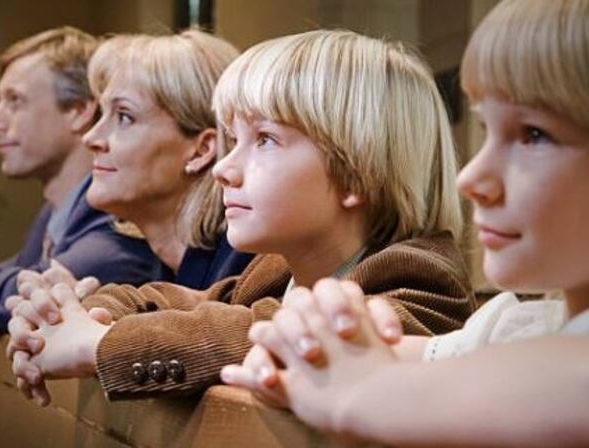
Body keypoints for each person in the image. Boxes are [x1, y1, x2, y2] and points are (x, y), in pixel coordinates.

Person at [6, 28, 475, 404]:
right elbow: (170, 303)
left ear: (356, 175)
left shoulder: (420, 280)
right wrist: (77, 317)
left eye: (264, 140)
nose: (224, 169)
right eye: (233, 141)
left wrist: (95, 345)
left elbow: (259, 336)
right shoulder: (274, 272)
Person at [224, 1, 589, 446]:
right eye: (485, 130)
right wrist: (309, 347)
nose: (471, 177)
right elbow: (412, 359)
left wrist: (361, 390)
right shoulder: (515, 329)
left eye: (534, 135)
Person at [0, 27, 162, 334]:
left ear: (78, 110)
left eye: (15, 101)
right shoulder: (55, 211)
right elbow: (17, 271)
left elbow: (39, 287)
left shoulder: (118, 212)